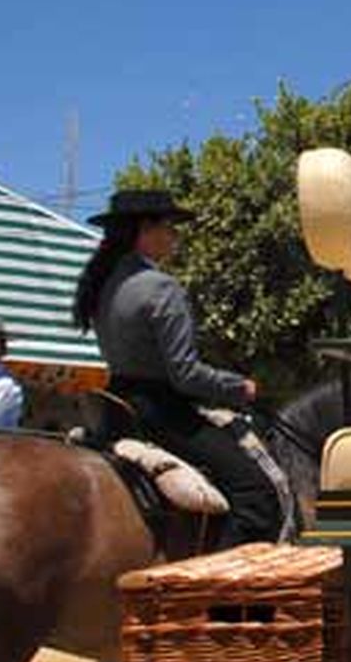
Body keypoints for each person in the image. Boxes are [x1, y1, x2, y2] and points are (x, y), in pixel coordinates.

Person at [72, 189, 280, 547]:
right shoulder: (161, 287)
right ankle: (222, 580)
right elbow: (185, 374)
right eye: (170, 227)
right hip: (162, 412)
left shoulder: (103, 285)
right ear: (145, 230)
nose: (175, 236)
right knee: (256, 494)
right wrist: (239, 387)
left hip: (116, 409)